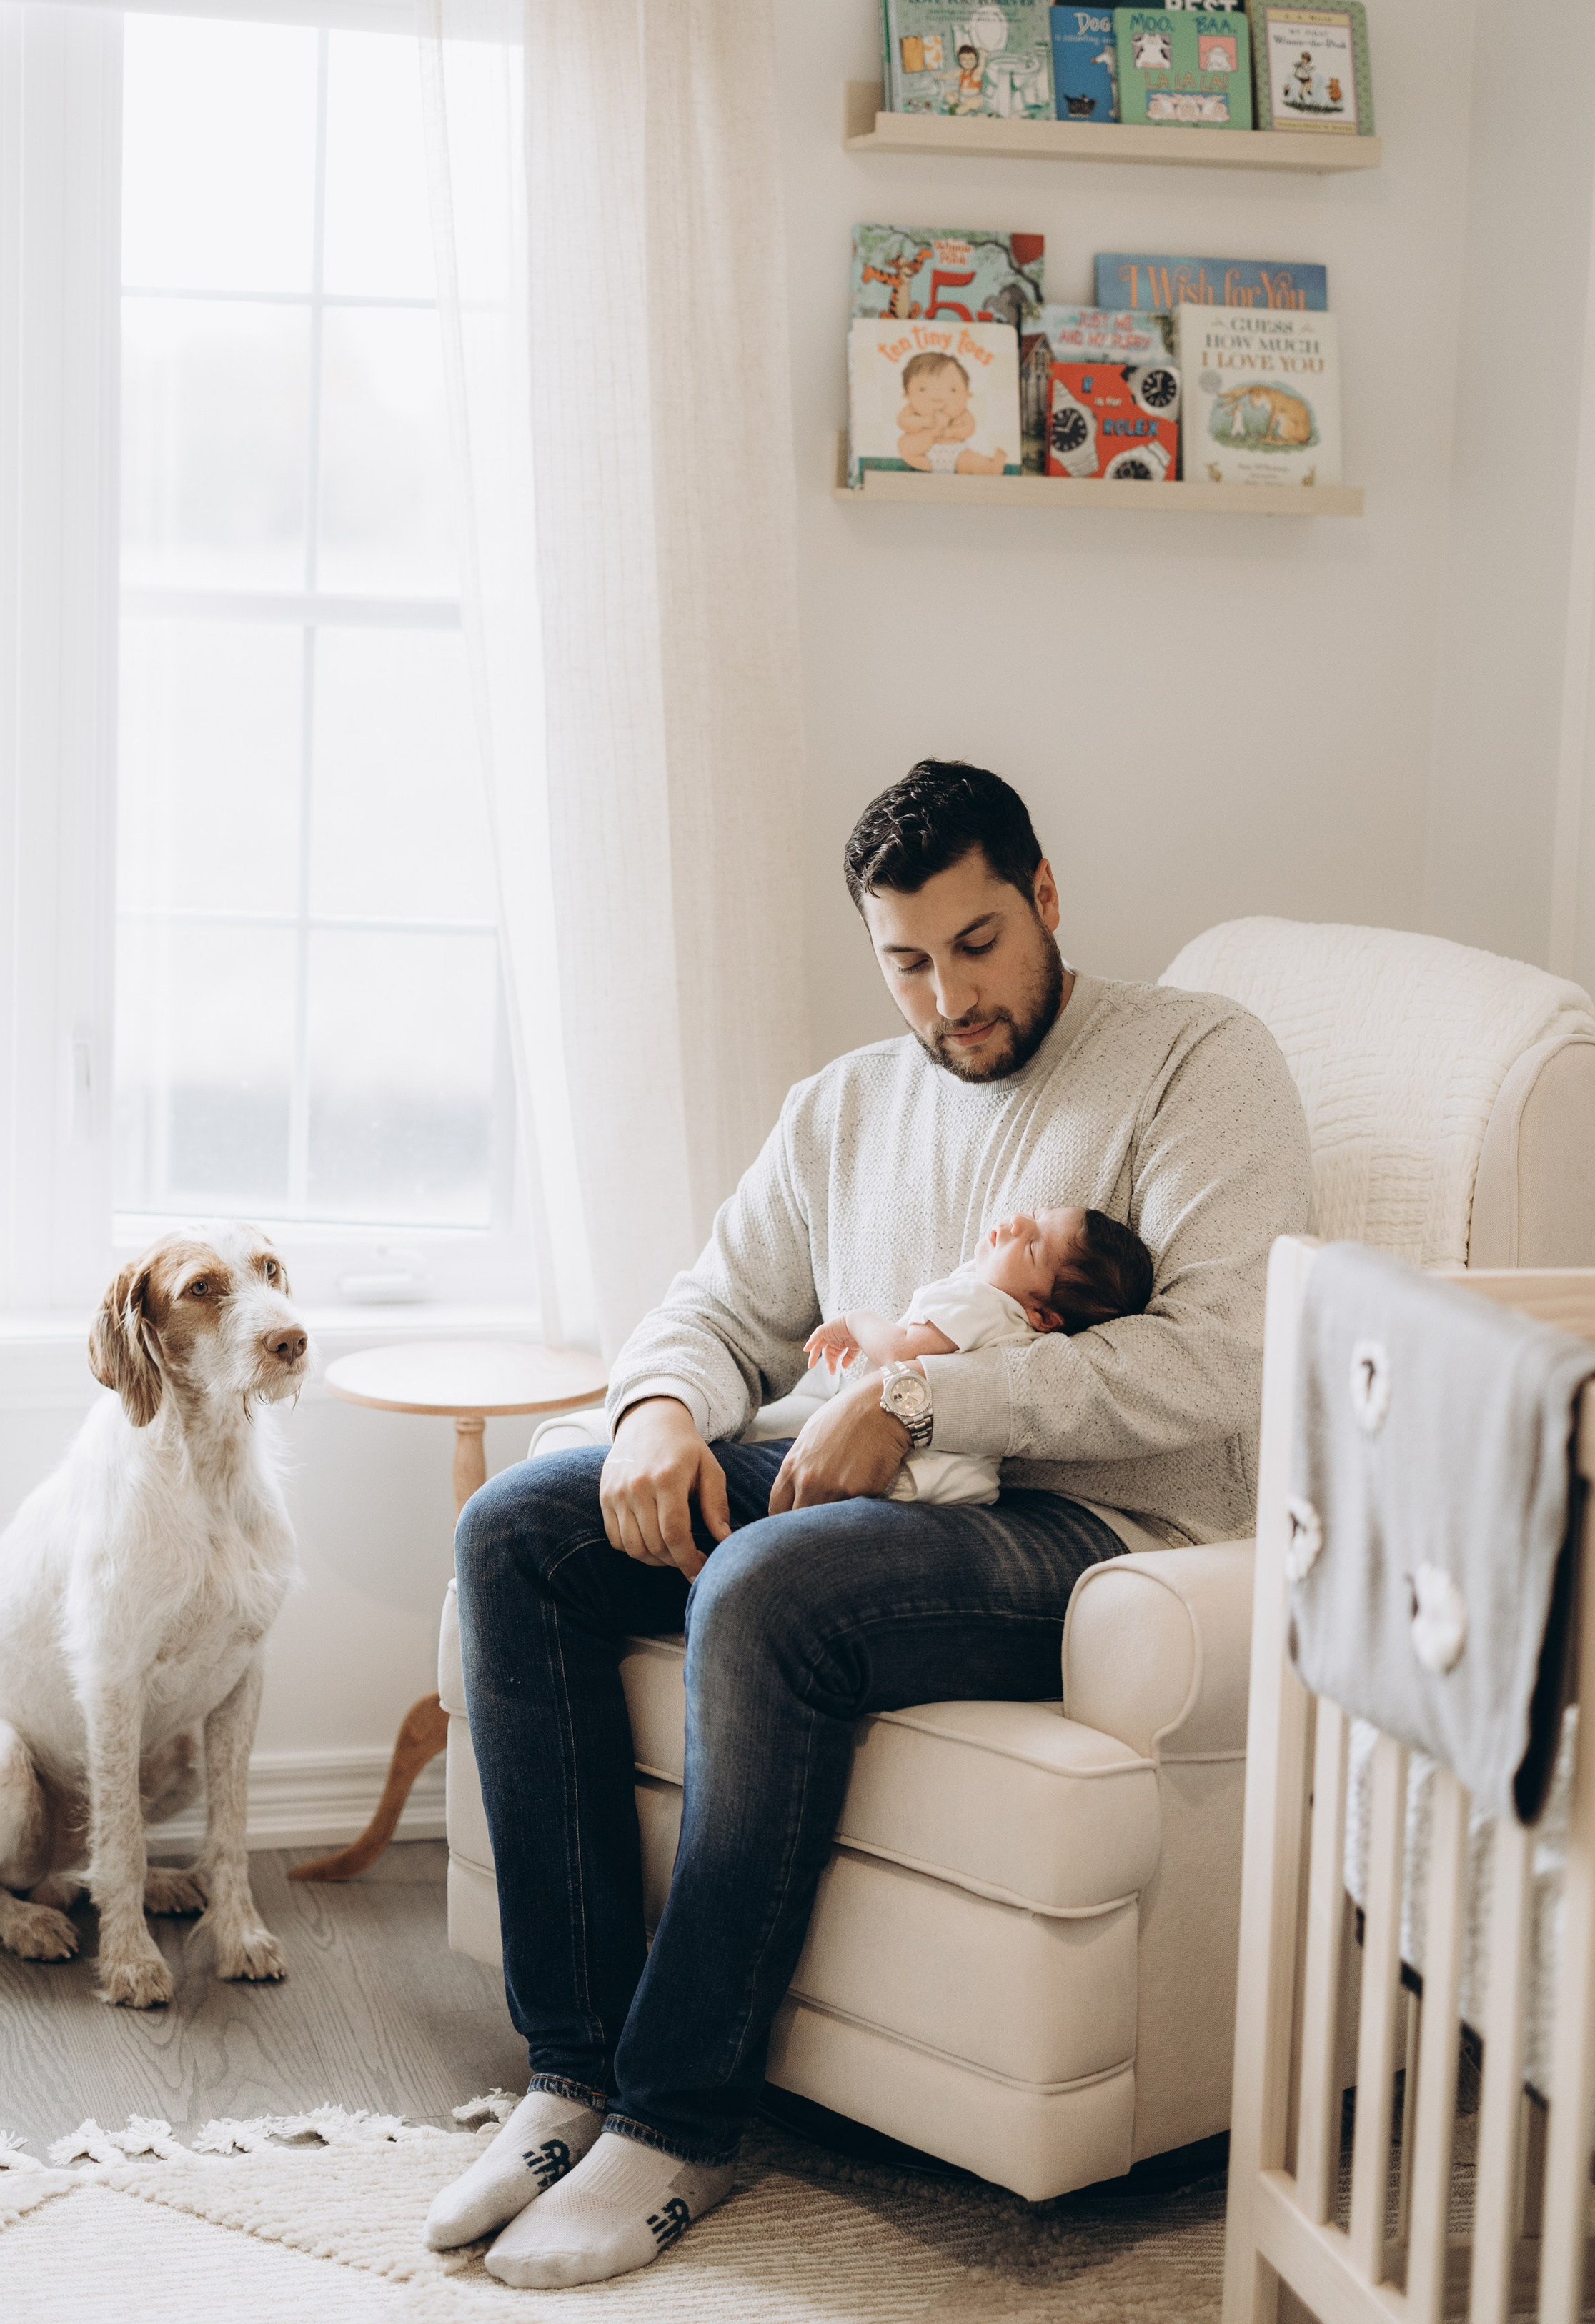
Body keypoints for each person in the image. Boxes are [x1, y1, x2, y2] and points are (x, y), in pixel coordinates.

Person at [430, 758, 1312, 2288]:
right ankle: (570, 2078)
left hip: (1095, 1541)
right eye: (905, 961)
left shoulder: (1195, 1059)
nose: (944, 999)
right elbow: (715, 1306)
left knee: (772, 1586)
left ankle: (679, 2119)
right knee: (519, 1532)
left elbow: (1220, 1358)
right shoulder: (839, 1105)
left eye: (975, 946)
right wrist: (653, 1413)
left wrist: (919, 1408)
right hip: (849, 1495)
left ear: (1042, 900)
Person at [803, 1202, 1155, 1507]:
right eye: (1035, 1216)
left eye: (1032, 1247)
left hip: (911, 1482)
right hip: (953, 1486)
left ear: (1046, 1316)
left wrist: (855, 1322)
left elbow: (901, 1351)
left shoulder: (983, 1301)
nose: (1018, 1223)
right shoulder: (1017, 1324)